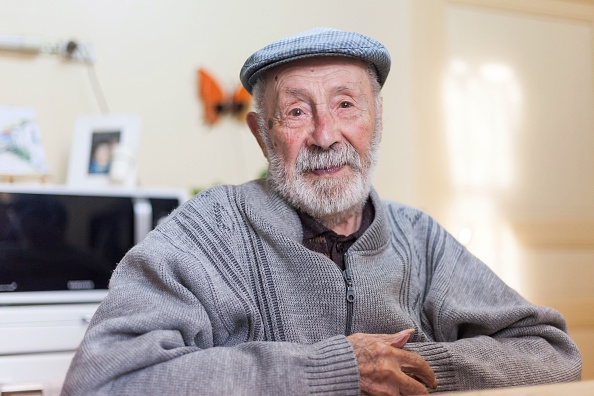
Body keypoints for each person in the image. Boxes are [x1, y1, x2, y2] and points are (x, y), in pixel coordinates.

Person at [61, 27, 581, 395]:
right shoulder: (204, 235)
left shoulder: (418, 236)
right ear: (263, 136)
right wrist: (335, 371)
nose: (325, 135)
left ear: (376, 122)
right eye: (295, 112)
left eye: (346, 105)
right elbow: (103, 383)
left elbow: (552, 354)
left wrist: (406, 369)